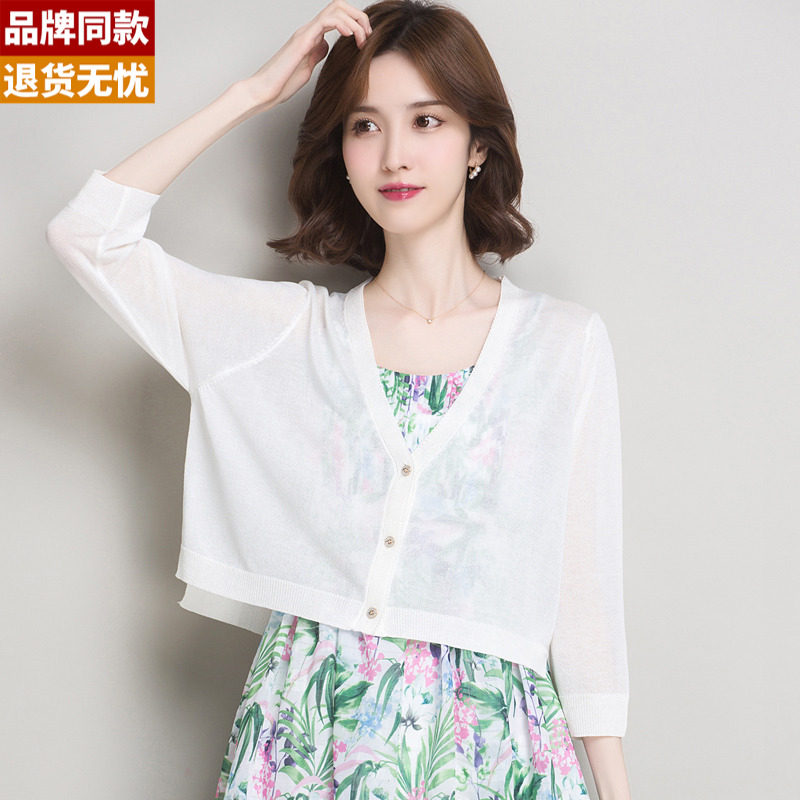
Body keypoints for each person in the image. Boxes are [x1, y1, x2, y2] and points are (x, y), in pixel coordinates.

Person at [45, 1, 632, 797]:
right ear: (342, 153)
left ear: (478, 146)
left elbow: (584, 599)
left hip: (492, 747)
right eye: (365, 125)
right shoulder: (286, 338)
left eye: (426, 120)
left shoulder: (562, 345)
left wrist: (615, 788)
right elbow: (88, 237)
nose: (394, 154)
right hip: (306, 735)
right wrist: (253, 92)